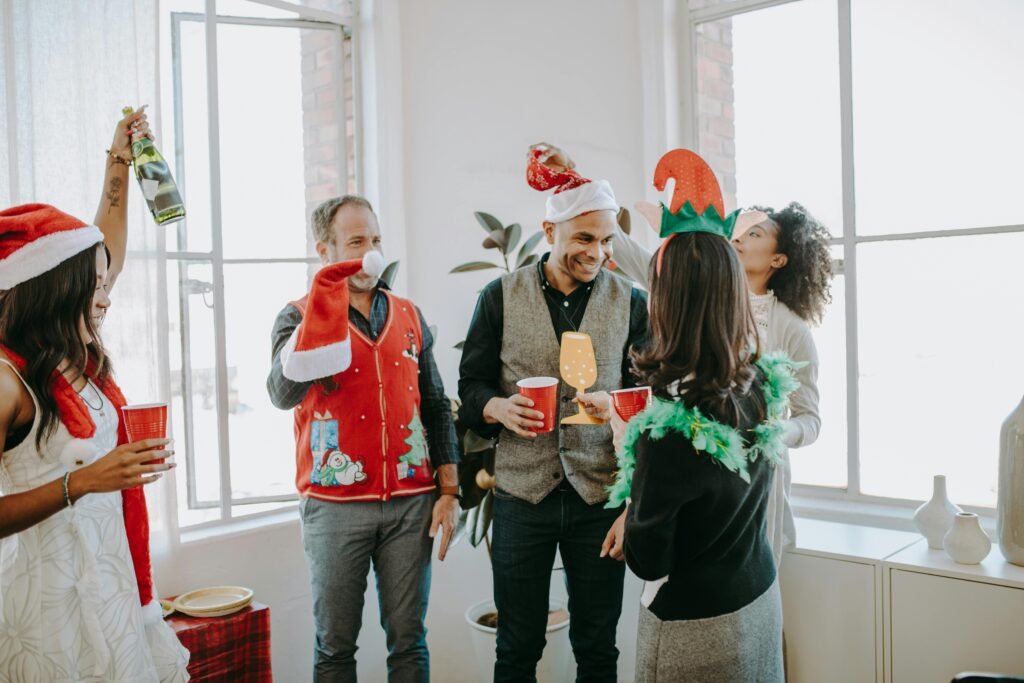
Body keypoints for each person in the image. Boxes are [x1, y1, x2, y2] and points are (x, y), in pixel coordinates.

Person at [582, 149, 799, 682]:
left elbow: (650, 561)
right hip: (758, 598)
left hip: (697, 629)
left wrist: (628, 440)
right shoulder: (759, 387)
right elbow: (714, 498)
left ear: (667, 302)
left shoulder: (668, 436)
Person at [0, 110, 190, 681]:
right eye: (95, 286)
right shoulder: (7, 378)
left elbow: (104, 238)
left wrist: (120, 161)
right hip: (50, 605)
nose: (106, 298)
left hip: (111, 584)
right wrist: (84, 480)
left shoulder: (71, 356)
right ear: (54, 292)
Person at [457, 144, 649, 682]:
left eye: (607, 240)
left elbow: (647, 409)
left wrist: (632, 501)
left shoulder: (631, 303)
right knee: (516, 648)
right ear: (549, 234)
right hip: (522, 497)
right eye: (584, 238)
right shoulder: (498, 296)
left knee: (597, 647)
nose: (598, 252)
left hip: (598, 501)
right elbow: (469, 386)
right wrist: (495, 406)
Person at [266, 195, 460, 683]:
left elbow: (436, 405)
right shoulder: (296, 317)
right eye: (356, 242)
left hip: (411, 503)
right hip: (333, 508)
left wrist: (450, 490)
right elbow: (281, 394)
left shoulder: (409, 314)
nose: (371, 253)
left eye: (375, 240)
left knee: (409, 644)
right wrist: (318, 317)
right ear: (325, 250)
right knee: (334, 648)